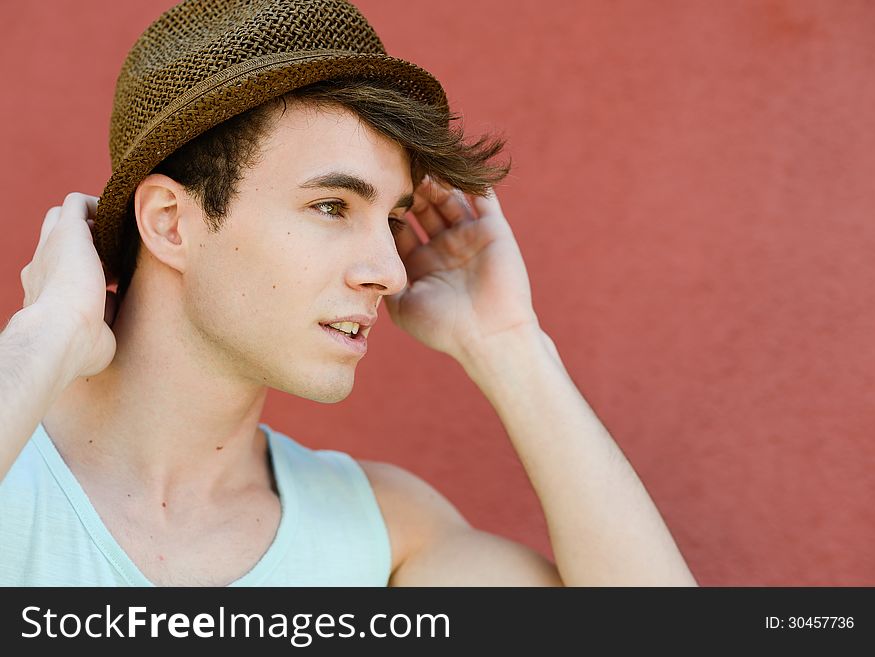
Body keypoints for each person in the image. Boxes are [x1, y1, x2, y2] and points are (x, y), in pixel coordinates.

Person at [0, 0, 696, 586]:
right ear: (171, 223)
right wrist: (46, 338)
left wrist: (508, 342)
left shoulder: (381, 534)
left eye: (393, 221)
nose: (390, 271)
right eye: (332, 206)